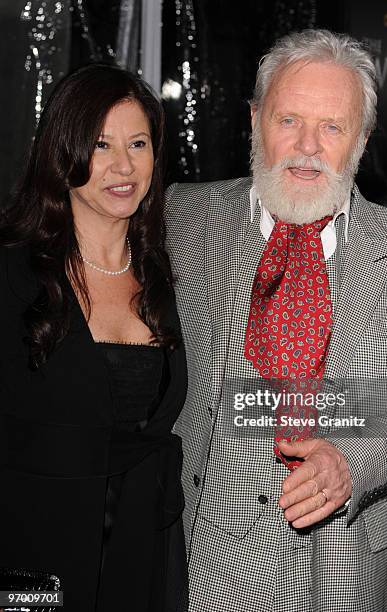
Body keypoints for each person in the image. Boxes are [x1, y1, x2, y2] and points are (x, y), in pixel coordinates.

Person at [165, 29, 387, 612]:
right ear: (255, 119)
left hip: (344, 564)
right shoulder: (182, 218)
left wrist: (352, 460)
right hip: (202, 554)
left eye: (332, 126)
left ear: (362, 138)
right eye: (288, 121)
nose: (308, 146)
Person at [0, 64, 187, 612]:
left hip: (143, 554)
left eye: (138, 143)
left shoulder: (168, 277)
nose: (123, 166)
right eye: (101, 145)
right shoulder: (12, 274)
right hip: (30, 557)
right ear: (63, 151)